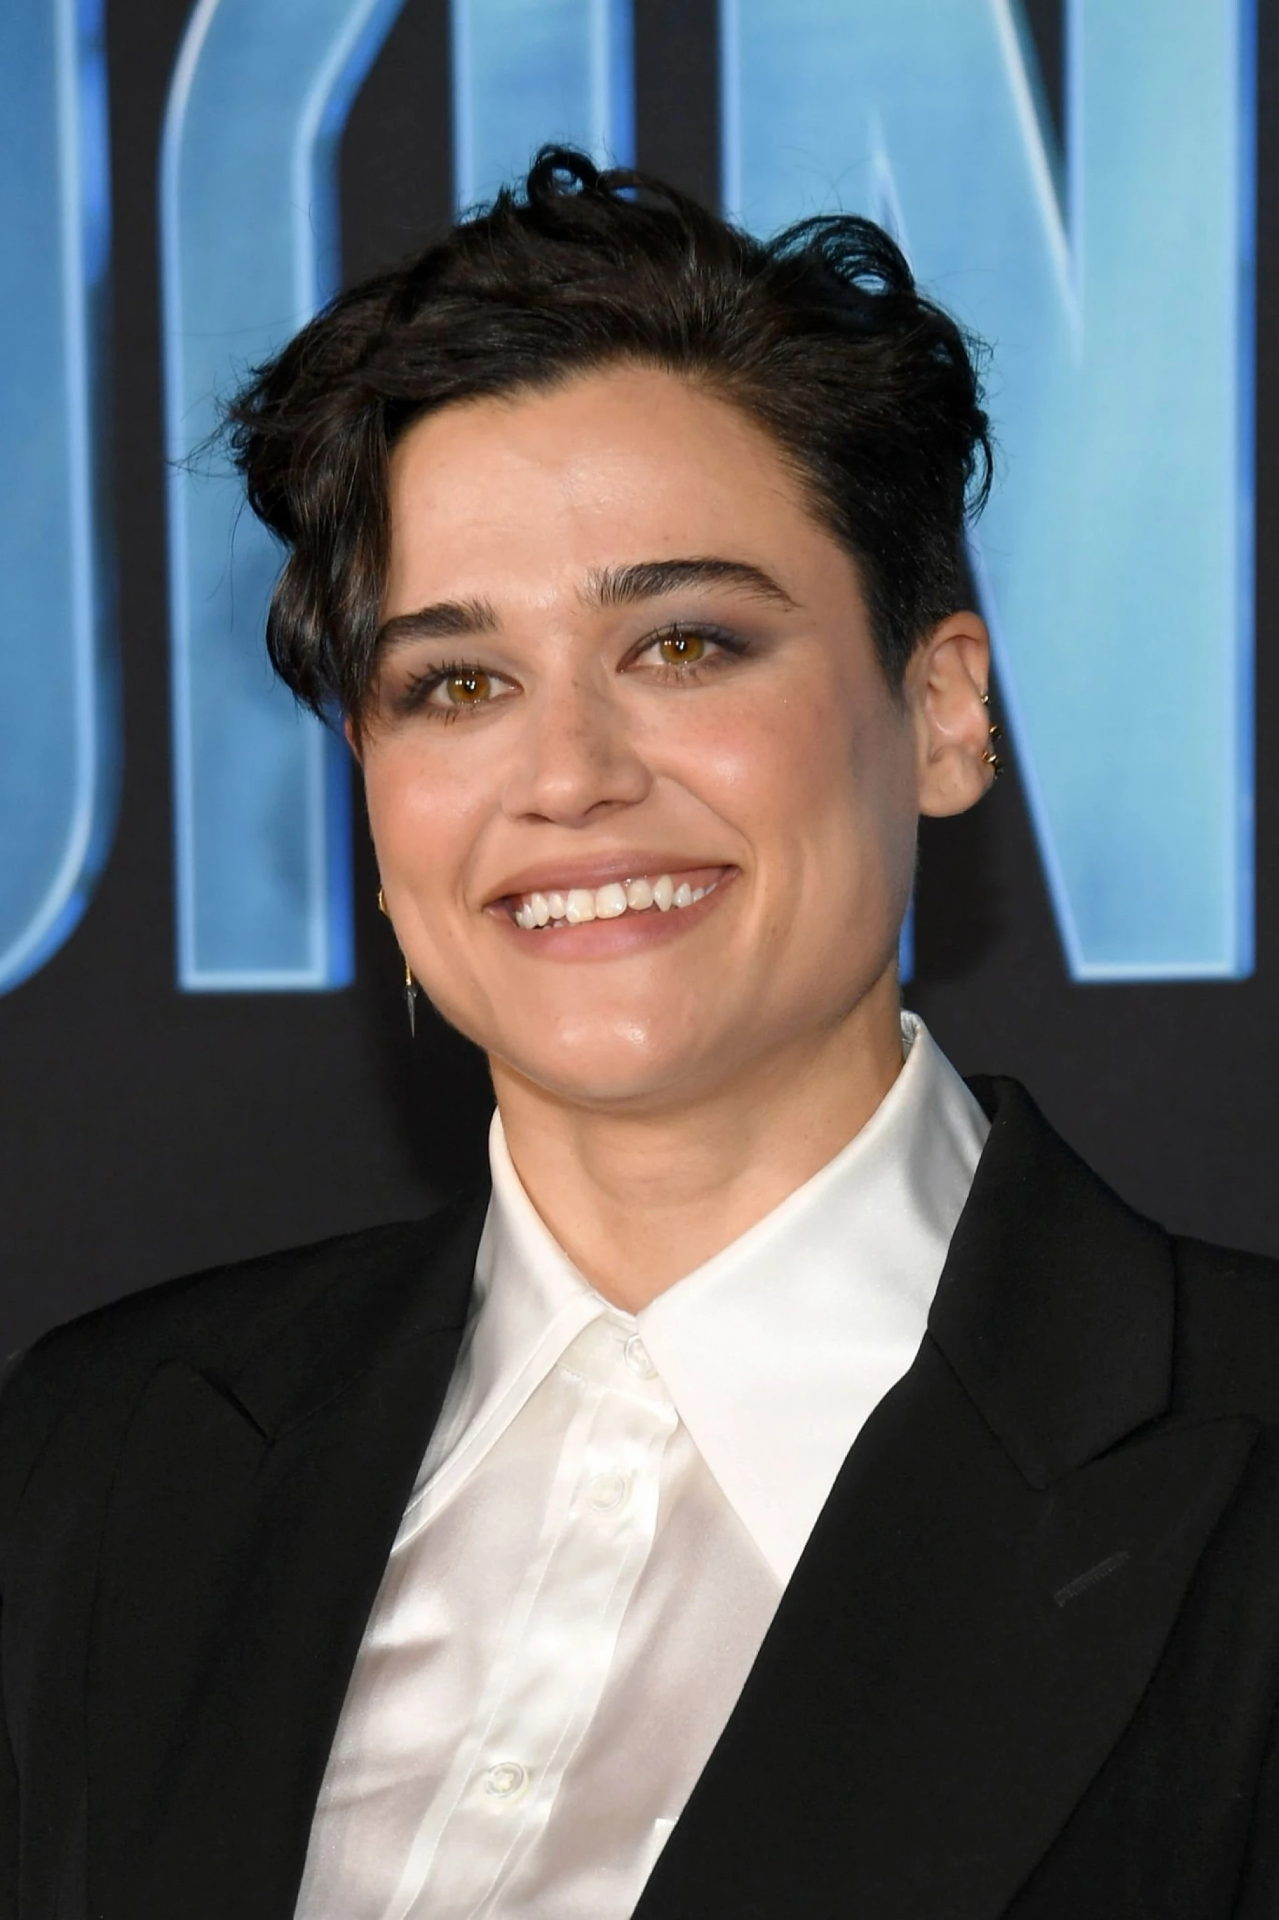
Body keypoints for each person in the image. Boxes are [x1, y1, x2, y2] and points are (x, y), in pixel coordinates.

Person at [2, 147, 1277, 1920]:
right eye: (456, 683)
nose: (569, 775)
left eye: (684, 645)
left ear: (940, 711)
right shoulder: (98, 1455)